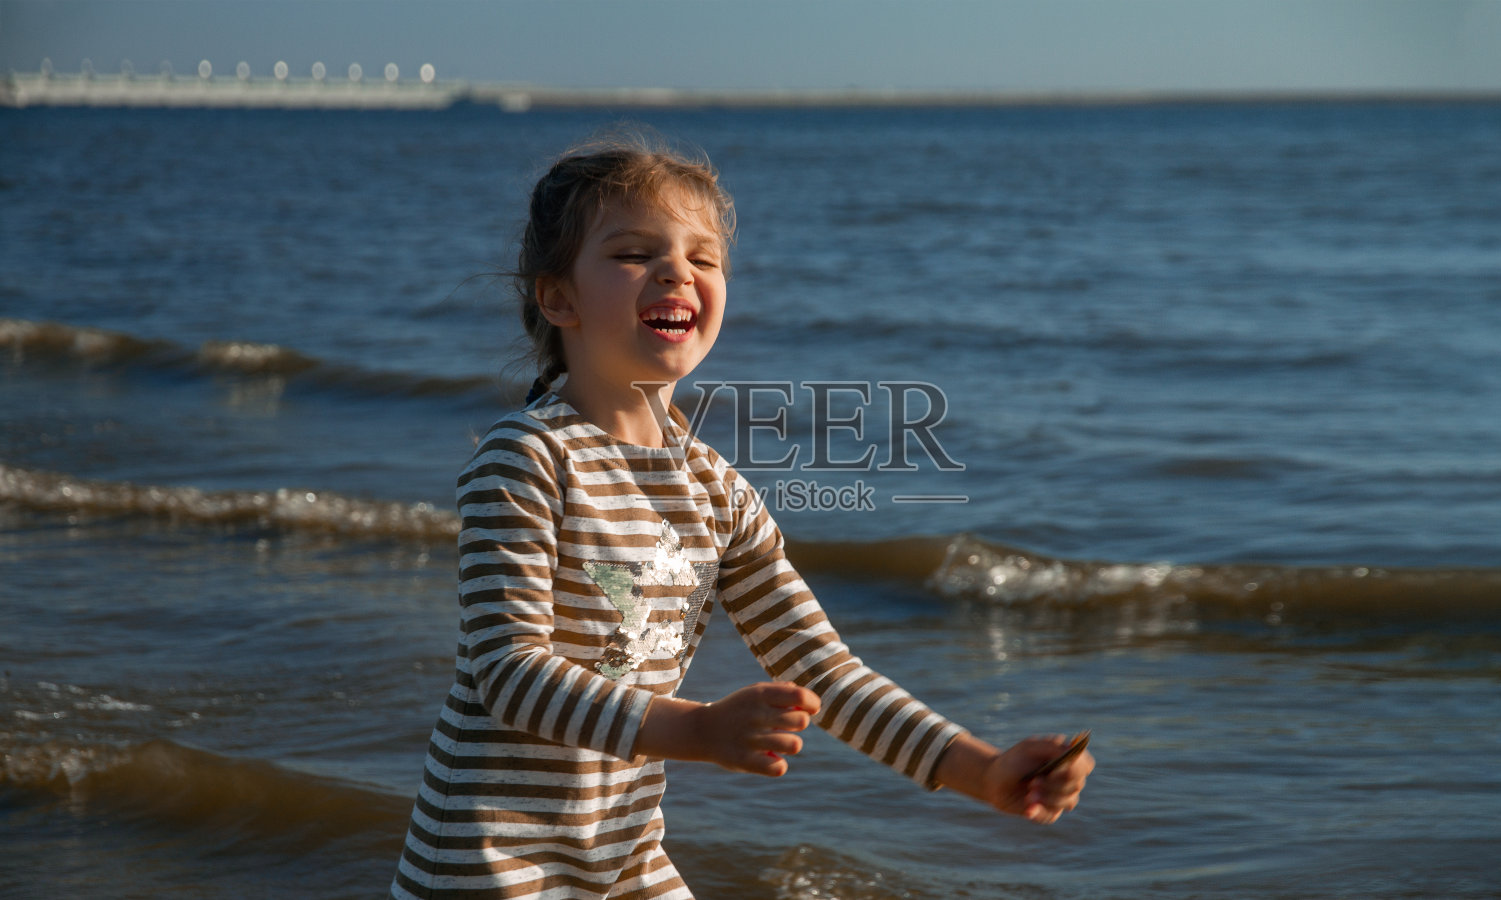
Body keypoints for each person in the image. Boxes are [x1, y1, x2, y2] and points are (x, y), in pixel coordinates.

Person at [390, 133, 1094, 900]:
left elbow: (825, 671)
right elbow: (509, 673)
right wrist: (696, 731)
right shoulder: (528, 457)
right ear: (558, 298)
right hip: (489, 864)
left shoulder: (717, 493)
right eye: (633, 254)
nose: (675, 271)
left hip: (621, 855)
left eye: (703, 258)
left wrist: (981, 769)